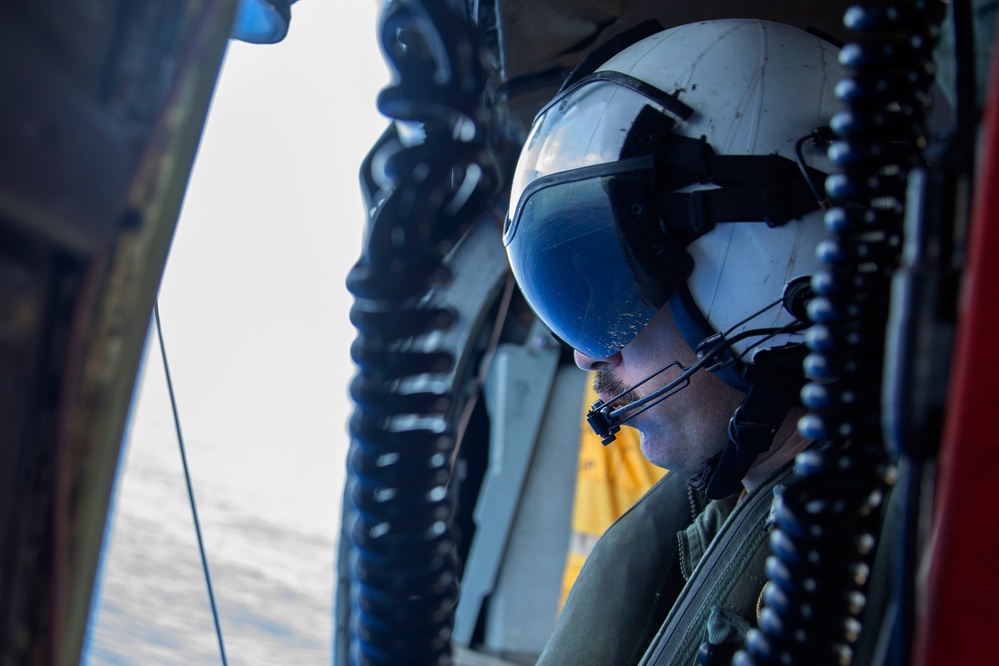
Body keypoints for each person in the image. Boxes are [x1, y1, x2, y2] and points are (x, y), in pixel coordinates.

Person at [502, 19, 877, 665]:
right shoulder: (723, 519)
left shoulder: (900, 552)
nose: (587, 357)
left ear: (774, 262)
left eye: (615, 292)